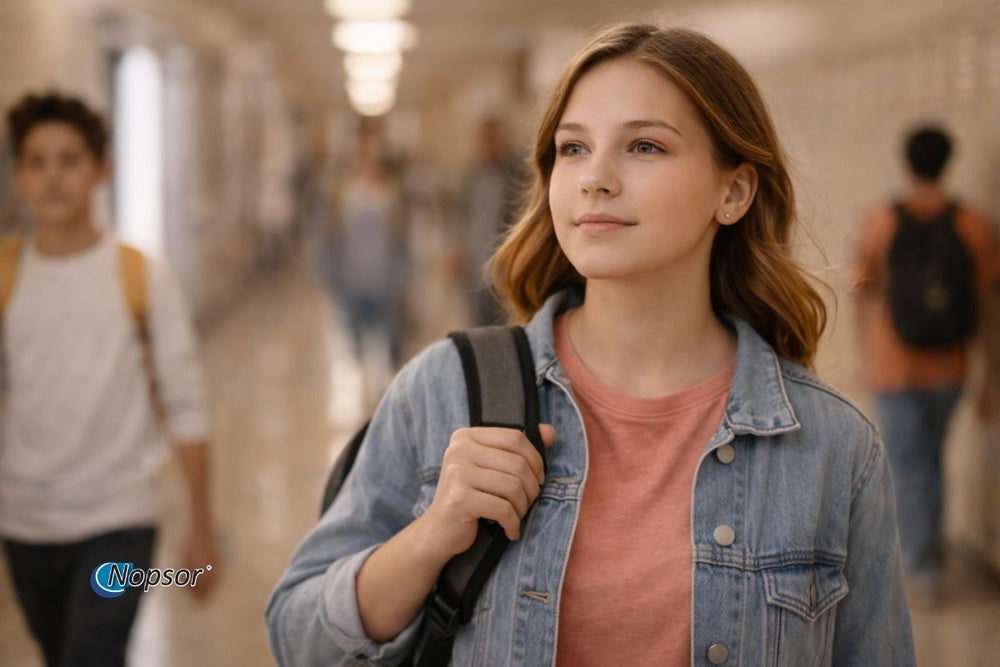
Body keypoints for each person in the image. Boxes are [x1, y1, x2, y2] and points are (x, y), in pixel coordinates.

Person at [268, 24, 914, 665]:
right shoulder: (444, 389)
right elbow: (297, 636)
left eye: (644, 147)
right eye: (572, 149)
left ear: (733, 191)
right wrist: (431, 537)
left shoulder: (833, 448)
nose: (595, 178)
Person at [0, 92, 216, 666]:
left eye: (69, 160)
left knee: (90, 657)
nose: (53, 179)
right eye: (36, 161)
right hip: (24, 521)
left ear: (101, 170)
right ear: (19, 174)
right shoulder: (5, 274)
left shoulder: (142, 275)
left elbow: (186, 401)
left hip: (120, 520)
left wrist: (200, 528)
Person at [851, 126, 997, 607]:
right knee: (930, 463)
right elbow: (986, 304)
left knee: (910, 467)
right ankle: (927, 555)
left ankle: (922, 569)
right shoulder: (973, 224)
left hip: (896, 368)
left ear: (907, 161)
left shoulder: (882, 221)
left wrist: (864, 356)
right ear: (948, 162)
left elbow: (862, 290)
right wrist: (990, 375)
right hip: (951, 368)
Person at [460, 116, 523, 326]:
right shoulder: (471, 177)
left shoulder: (516, 175)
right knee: (478, 328)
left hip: (504, 268)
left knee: (504, 326)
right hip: (475, 268)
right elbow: (464, 218)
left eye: (492, 138)